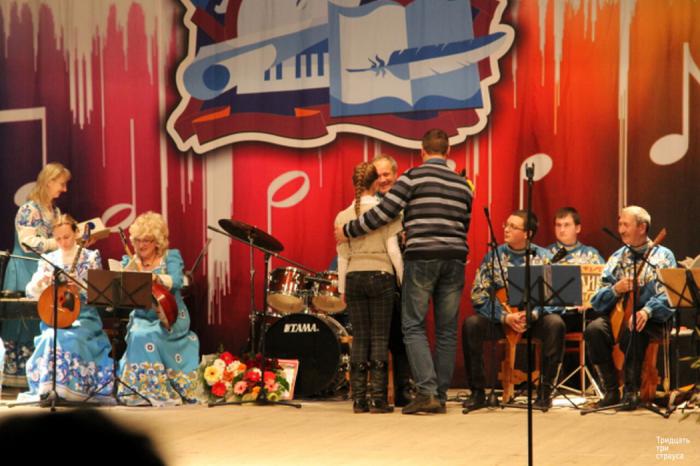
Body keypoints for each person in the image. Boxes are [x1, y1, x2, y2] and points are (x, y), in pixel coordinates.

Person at [336, 129, 473, 414]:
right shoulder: (463, 185)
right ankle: (441, 396)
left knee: (413, 325)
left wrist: (349, 229)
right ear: (448, 151)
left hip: (422, 257)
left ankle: (427, 393)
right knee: (447, 331)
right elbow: (465, 223)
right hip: (455, 258)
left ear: (422, 151)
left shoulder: (412, 177)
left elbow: (383, 213)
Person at [462, 210, 565, 409]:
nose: (506, 229)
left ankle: (544, 393)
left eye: (513, 226)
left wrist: (533, 314)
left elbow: (556, 298)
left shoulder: (544, 257)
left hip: (533, 319)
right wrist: (504, 317)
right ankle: (477, 392)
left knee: (556, 324)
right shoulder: (493, 257)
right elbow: (478, 295)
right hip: (502, 319)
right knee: (471, 324)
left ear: (527, 233)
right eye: (506, 225)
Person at [586, 206, 676, 409]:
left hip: (653, 319)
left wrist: (647, 310)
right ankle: (610, 390)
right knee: (594, 330)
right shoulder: (617, 258)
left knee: (634, 330)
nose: (620, 230)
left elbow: (669, 294)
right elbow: (597, 300)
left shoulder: (663, 256)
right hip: (619, 317)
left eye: (625, 225)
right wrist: (616, 289)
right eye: (619, 224)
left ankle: (630, 391)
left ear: (642, 227)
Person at [21, 214, 113, 401]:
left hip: (84, 316)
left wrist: (80, 288)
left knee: (70, 338)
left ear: (76, 233)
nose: (63, 242)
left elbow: (99, 293)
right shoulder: (48, 259)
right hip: (56, 316)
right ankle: (50, 389)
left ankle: (73, 390)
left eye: (67, 237)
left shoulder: (90, 257)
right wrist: (42, 283)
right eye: (58, 239)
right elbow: (30, 292)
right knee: (50, 336)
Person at [336, 162, 403, 413]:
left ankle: (358, 399)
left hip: (354, 277)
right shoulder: (385, 213)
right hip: (381, 276)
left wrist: (342, 288)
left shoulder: (343, 216)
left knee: (360, 338)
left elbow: (342, 257)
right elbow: (393, 251)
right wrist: (402, 280)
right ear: (376, 183)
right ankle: (378, 399)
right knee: (379, 338)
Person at [117, 211, 200, 405]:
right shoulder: (130, 261)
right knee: (138, 333)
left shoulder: (170, 257)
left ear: (157, 241)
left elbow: (177, 281)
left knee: (147, 335)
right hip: (141, 317)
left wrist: (157, 278)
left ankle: (157, 391)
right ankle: (137, 391)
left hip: (170, 316)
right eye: (138, 240)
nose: (141, 245)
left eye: (147, 240)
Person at [2, 162, 71, 387]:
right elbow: (27, 242)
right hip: (25, 268)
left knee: (42, 316)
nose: (64, 189)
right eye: (61, 184)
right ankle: (16, 375)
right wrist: (57, 243)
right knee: (22, 319)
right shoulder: (29, 209)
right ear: (49, 182)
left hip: (42, 270)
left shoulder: (54, 211)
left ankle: (37, 372)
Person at [372, 154, 414, 406]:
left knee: (403, 334)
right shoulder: (367, 205)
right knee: (379, 337)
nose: (383, 179)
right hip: (377, 276)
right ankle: (375, 393)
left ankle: (403, 389)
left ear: (396, 175)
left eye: (386, 174)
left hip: (405, 278)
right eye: (378, 175)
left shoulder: (408, 205)